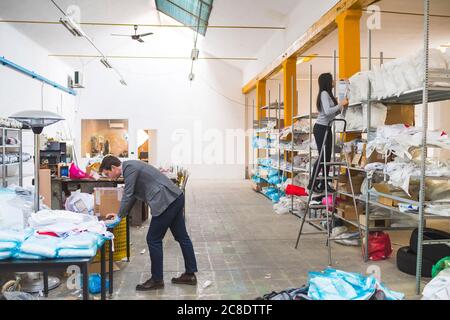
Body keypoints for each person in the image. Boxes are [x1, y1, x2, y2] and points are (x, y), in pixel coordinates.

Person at [100, 155, 198, 291]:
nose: (109, 178)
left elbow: (128, 194)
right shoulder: (131, 167)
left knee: (153, 239)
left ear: (113, 167)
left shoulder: (129, 168)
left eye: (107, 174)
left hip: (166, 201)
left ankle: (157, 280)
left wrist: (119, 217)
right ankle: (190, 274)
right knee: (182, 237)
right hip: (175, 197)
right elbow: (133, 195)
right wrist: (119, 215)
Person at [307, 73, 349, 194]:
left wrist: (341, 106)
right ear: (327, 81)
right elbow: (327, 111)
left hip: (327, 128)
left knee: (327, 158)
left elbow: (332, 113)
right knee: (322, 157)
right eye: (332, 80)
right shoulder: (324, 94)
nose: (334, 81)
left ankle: (324, 183)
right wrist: (340, 104)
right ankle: (312, 183)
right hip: (321, 128)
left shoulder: (329, 95)